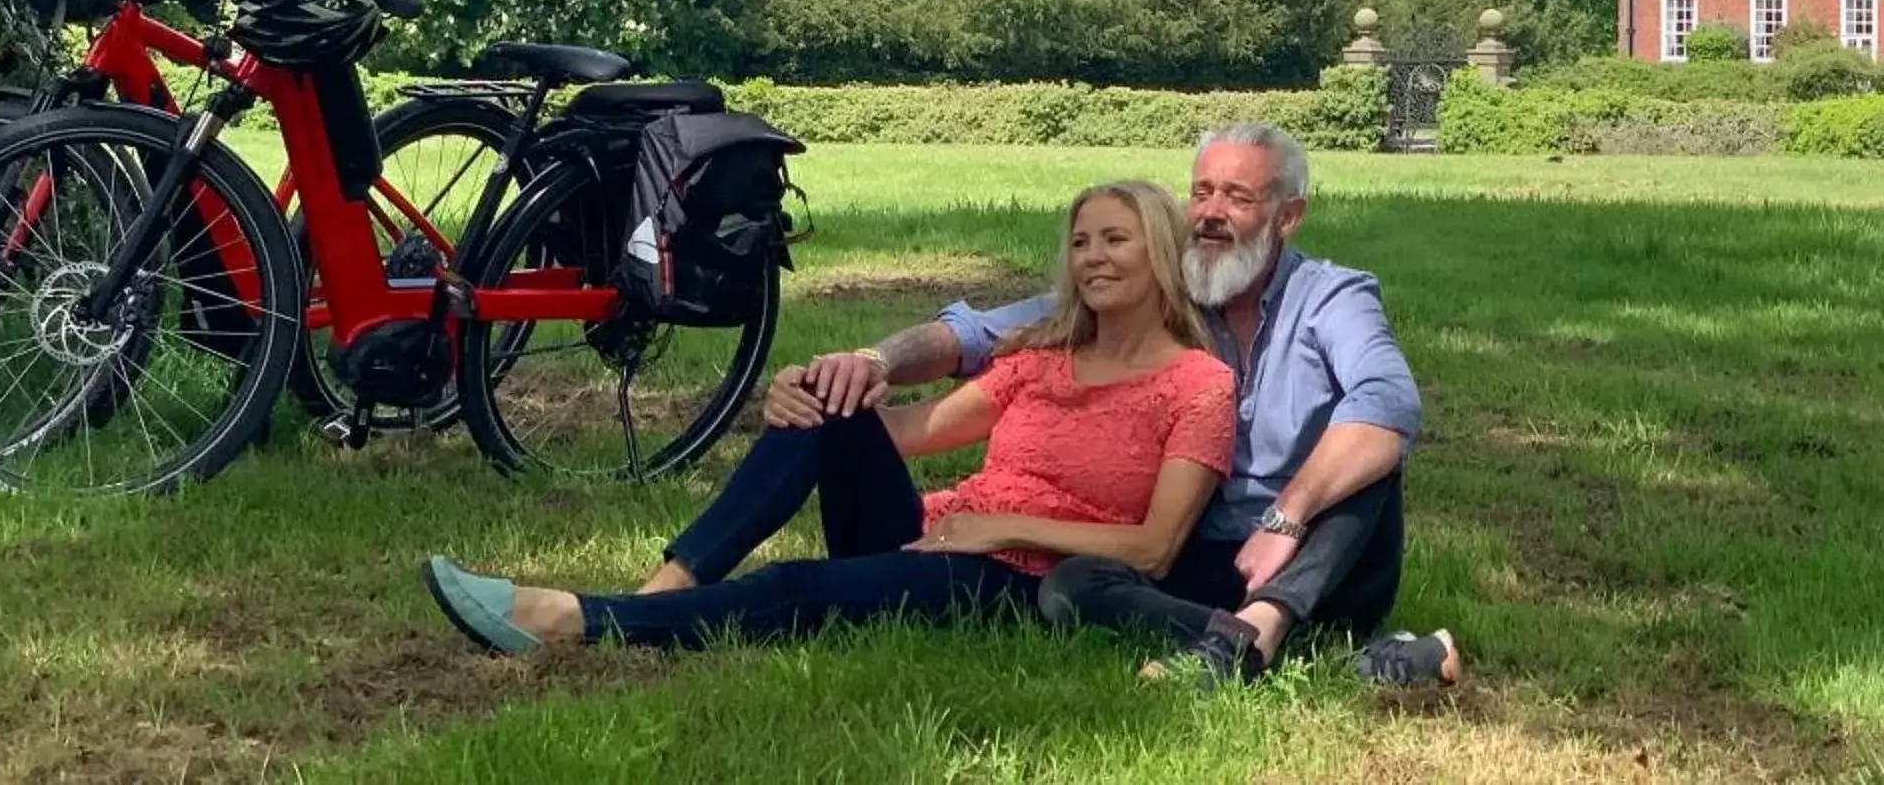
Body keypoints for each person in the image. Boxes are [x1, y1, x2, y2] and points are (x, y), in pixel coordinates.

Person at [773, 122, 1460, 690]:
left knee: (1369, 445)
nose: (1212, 214)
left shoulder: (1332, 298)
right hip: (1201, 556)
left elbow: (1387, 399)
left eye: (1239, 197)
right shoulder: (1166, 292)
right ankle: (1303, 651)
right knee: (1070, 585)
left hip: (1319, 555)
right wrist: (875, 361)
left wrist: (1289, 513)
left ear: (1289, 215)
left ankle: (1264, 629)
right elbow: (979, 333)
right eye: (1202, 193)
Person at [420, 179, 1234, 654]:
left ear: (1159, 252)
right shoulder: (1044, 356)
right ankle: (675, 582)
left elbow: (1154, 548)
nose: (1093, 258)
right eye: (1083, 242)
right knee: (829, 404)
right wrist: (802, 408)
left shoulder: (1198, 386)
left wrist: (1001, 528)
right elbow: (912, 432)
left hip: (1012, 579)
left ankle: (582, 619)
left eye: (1116, 240)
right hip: (934, 533)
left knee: (799, 586)